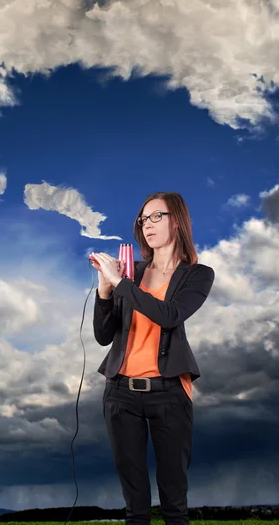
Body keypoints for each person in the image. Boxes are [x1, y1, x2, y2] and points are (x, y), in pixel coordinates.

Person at [90, 192, 215, 525]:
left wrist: (121, 283)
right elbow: (104, 336)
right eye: (144, 219)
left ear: (177, 219)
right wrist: (105, 291)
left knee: (174, 502)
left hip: (169, 392)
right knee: (135, 507)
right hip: (120, 392)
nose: (148, 225)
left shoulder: (197, 275)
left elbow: (170, 315)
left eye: (157, 216)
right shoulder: (132, 271)